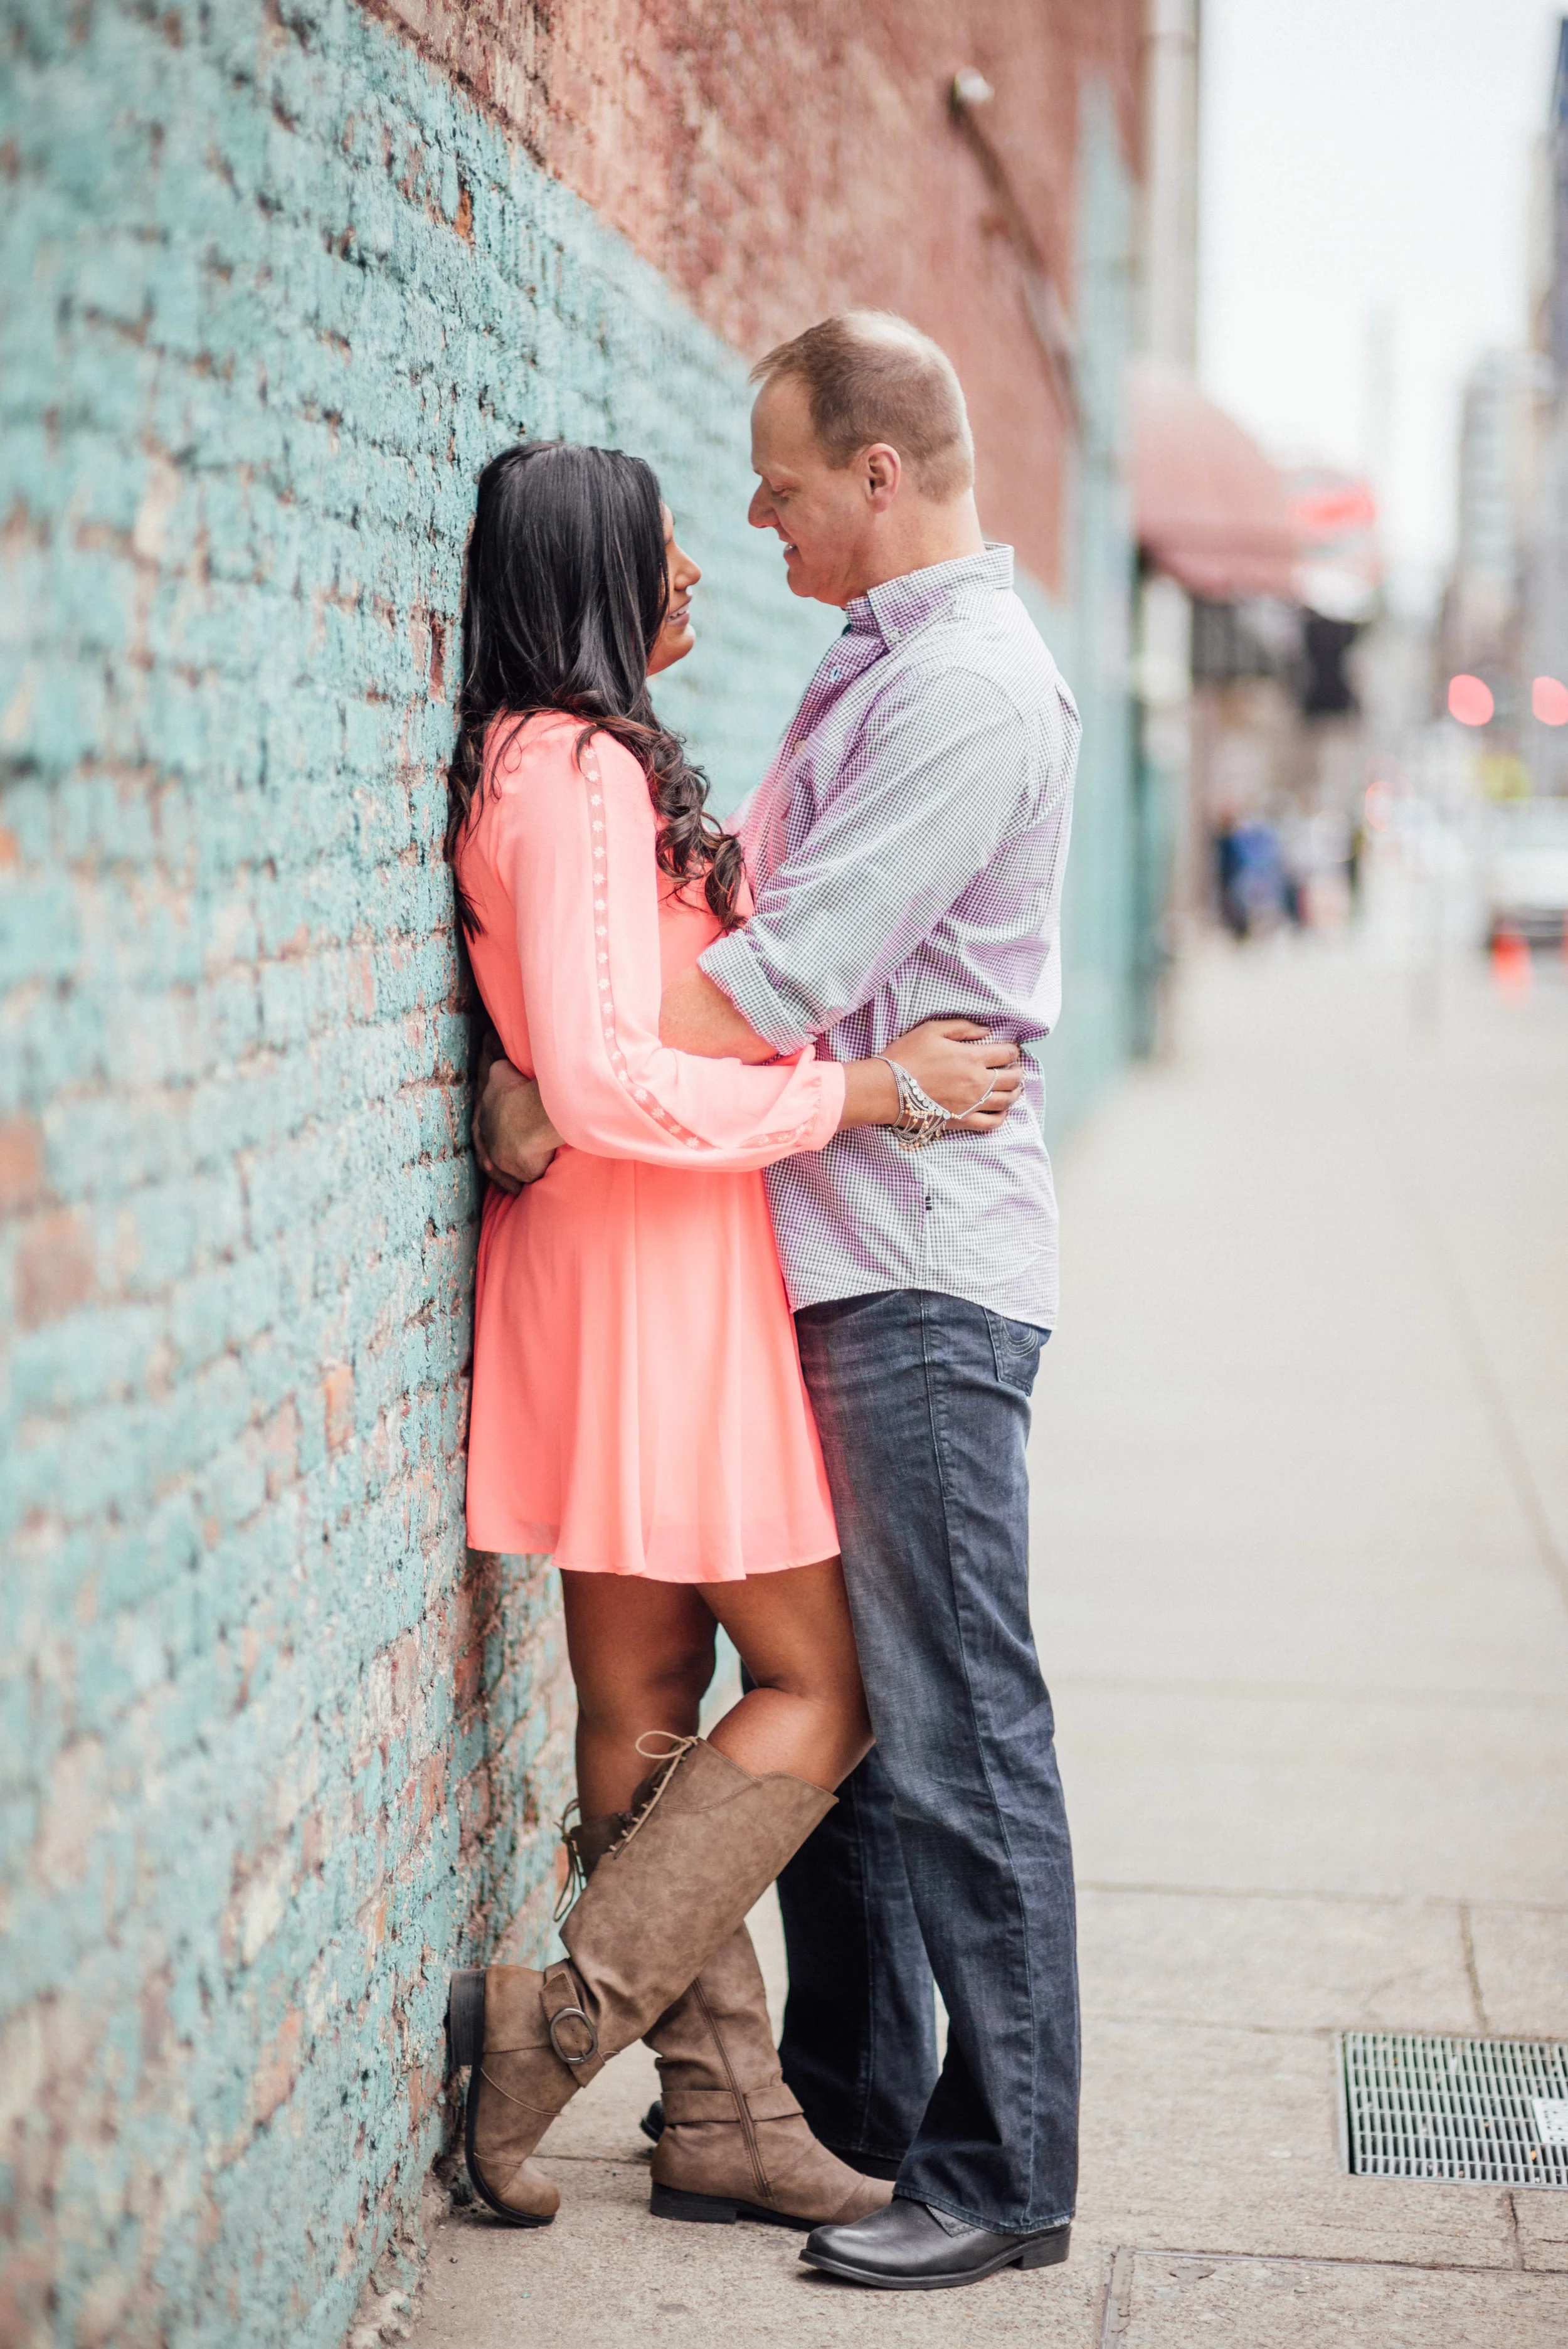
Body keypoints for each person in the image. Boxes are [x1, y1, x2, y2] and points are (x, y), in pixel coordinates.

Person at [477, 313, 1083, 2293]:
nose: (752, 519)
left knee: (943, 1727)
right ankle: (822, 2110)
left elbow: (769, 972)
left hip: (910, 1259)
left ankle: (998, 2175)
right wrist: (569, 1072)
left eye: (784, 481)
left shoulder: (971, 694)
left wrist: (549, 1087)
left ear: (880, 476)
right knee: (850, 1723)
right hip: (801, 1242)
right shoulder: (867, 662)